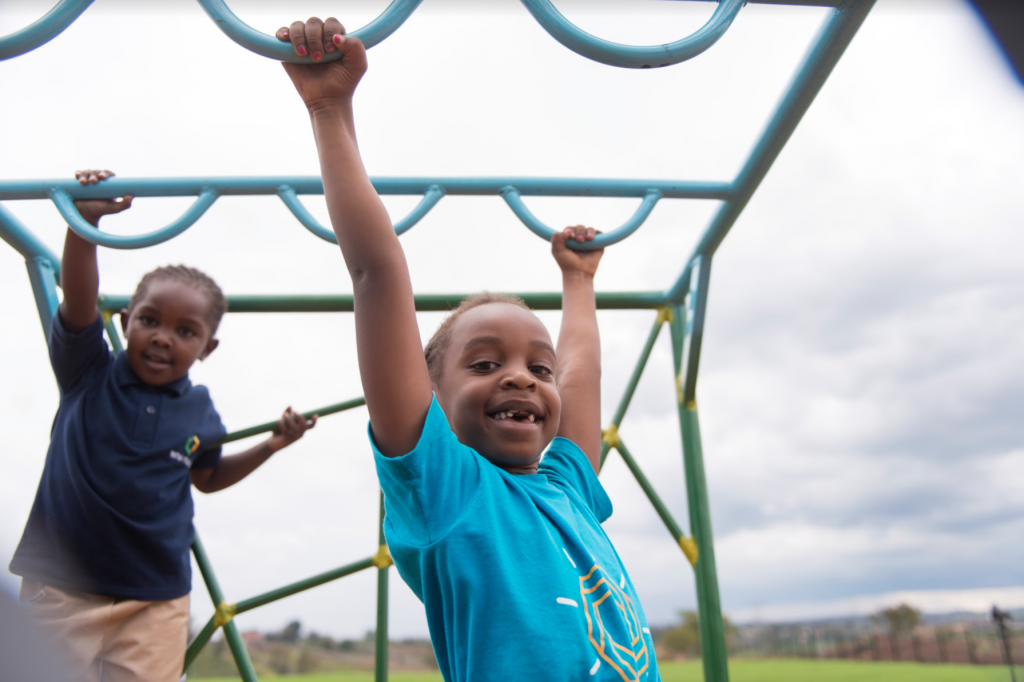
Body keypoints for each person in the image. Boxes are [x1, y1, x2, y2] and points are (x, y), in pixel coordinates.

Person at [278, 19, 660, 681]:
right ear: (429, 391)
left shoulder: (568, 486)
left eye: (535, 369)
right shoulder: (445, 488)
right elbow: (377, 271)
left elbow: (579, 369)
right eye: (486, 364)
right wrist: (329, 108)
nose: (521, 379)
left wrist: (578, 279)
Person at [9, 170, 318, 682]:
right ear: (127, 320)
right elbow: (80, 301)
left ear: (207, 348)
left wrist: (272, 445)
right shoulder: (89, 371)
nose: (161, 338)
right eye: (149, 320)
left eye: (185, 331)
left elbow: (209, 476)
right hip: (62, 585)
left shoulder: (199, 409)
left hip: (155, 597)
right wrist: (85, 224)